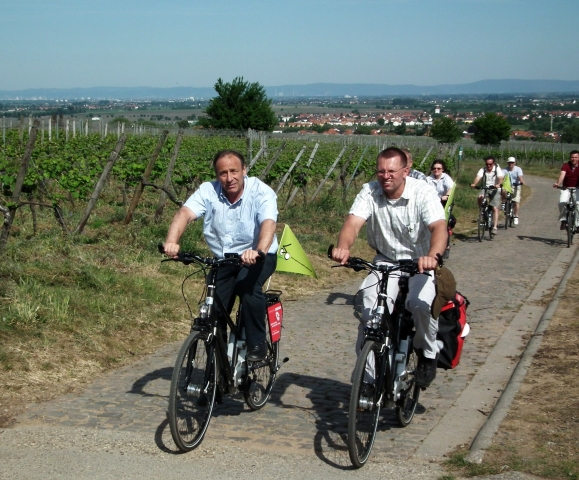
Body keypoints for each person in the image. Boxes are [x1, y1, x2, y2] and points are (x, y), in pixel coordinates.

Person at [331, 147, 447, 389]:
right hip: (385, 260)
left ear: (406, 171)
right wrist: (343, 247)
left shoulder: (423, 192)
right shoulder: (369, 192)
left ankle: (427, 354)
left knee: (420, 304)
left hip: (420, 261)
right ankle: (369, 380)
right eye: (381, 171)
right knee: (369, 311)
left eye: (392, 171)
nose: (386, 176)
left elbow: (438, 227)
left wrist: (433, 257)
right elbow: (352, 224)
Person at [163, 150, 279, 362]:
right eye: (223, 173)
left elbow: (268, 223)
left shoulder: (261, 192)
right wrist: (172, 242)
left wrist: (259, 251)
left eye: (234, 171)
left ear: (244, 170)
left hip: (258, 254)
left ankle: (257, 343)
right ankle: (218, 368)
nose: (229, 178)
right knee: (213, 307)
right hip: (225, 258)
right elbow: (184, 214)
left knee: (247, 285)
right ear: (217, 175)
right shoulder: (208, 191)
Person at [470, 156, 504, 234]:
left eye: (490, 164)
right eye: (487, 164)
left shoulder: (497, 169)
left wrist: (498, 184)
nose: (488, 166)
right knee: (480, 197)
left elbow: (500, 177)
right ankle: (481, 211)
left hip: (495, 189)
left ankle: (494, 227)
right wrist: (474, 184)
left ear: (493, 164)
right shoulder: (483, 170)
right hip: (485, 188)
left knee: (495, 208)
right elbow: (478, 177)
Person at [553, 150, 579, 230]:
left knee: (578, 204)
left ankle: (577, 223)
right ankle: (563, 220)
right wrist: (558, 183)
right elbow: (562, 175)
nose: (573, 159)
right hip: (566, 188)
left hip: (577, 188)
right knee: (562, 203)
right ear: (570, 158)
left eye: (575, 157)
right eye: (572, 157)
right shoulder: (566, 165)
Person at [501, 157, 525, 225]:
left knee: (516, 201)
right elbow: (501, 177)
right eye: (509, 163)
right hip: (508, 186)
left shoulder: (518, 169)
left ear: (514, 163)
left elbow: (520, 177)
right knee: (503, 190)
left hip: (516, 186)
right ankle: (503, 202)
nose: (510, 164)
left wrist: (521, 181)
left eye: (512, 162)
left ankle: (516, 216)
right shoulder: (504, 170)